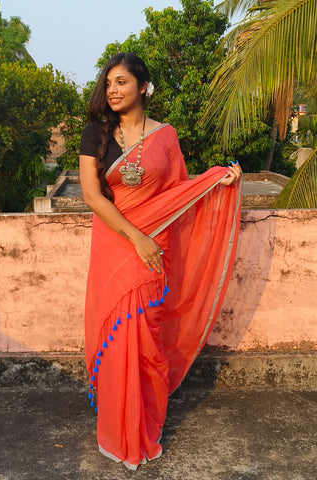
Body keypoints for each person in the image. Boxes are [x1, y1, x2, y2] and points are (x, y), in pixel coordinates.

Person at [79, 52, 242, 470]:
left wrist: (216, 180)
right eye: (109, 83)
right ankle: (118, 432)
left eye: (122, 82)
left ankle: (144, 427)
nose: (112, 90)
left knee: (147, 340)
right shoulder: (95, 134)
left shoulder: (165, 137)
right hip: (119, 243)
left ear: (143, 86)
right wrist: (136, 238)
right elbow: (92, 196)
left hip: (154, 245)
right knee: (118, 341)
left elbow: (178, 195)